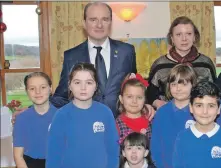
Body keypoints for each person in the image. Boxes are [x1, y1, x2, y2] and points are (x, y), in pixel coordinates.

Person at [11, 1, 155, 123]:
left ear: (110, 22)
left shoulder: (126, 51)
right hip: (84, 126)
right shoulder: (71, 56)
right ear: (84, 23)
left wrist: (146, 104)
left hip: (121, 127)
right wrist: (32, 110)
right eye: (93, 19)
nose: (99, 25)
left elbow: (135, 86)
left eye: (105, 19)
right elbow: (61, 96)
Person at [46, 63, 119, 168]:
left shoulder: (105, 113)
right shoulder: (61, 115)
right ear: (70, 85)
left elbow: (113, 150)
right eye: (77, 82)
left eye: (89, 83)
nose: (83, 87)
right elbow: (53, 156)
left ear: (96, 86)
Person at [146, 16, 216, 109]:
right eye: (179, 34)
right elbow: (150, 93)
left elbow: (214, 92)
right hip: (169, 115)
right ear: (172, 38)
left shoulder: (206, 63)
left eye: (189, 34)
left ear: (194, 37)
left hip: (200, 116)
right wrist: (156, 102)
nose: (184, 38)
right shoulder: (159, 65)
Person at [172, 81, 221, 168]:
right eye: (199, 105)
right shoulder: (182, 137)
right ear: (191, 108)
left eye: (211, 106)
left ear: (219, 109)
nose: (205, 112)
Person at [150, 64, 197, 168]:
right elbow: (156, 146)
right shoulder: (162, 113)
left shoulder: (199, 112)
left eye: (183, 84)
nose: (178, 88)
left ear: (193, 85)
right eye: (174, 84)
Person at [13, 72, 57, 168]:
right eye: (32, 88)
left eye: (43, 87)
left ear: (50, 88)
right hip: (27, 163)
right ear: (27, 91)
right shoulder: (21, 119)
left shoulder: (60, 117)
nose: (38, 92)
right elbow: (18, 156)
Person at [116, 73, 152, 144]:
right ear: (121, 99)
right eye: (129, 96)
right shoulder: (116, 125)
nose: (134, 101)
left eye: (139, 97)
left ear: (144, 100)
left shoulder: (152, 121)